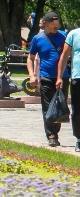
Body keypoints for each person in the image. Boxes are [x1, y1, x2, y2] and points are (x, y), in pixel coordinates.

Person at [28, 11, 68, 147]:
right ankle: (51, 135)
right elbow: (31, 58)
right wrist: (32, 75)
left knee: (60, 105)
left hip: (63, 76)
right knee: (47, 106)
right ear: (45, 23)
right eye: (53, 24)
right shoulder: (38, 39)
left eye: (57, 24)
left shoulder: (64, 36)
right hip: (46, 76)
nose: (56, 27)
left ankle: (55, 131)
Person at [56, 17, 80, 152]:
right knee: (77, 110)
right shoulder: (73, 34)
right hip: (78, 77)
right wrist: (59, 77)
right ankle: (79, 138)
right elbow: (64, 56)